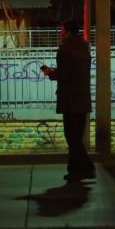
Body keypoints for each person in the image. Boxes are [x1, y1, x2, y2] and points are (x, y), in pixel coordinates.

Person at [41, 19, 96, 182]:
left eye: (61, 30)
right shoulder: (84, 46)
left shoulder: (64, 49)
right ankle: (74, 169)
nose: (60, 33)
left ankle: (86, 166)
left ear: (68, 32)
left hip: (70, 99)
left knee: (71, 136)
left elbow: (64, 75)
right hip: (83, 98)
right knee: (76, 136)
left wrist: (51, 73)